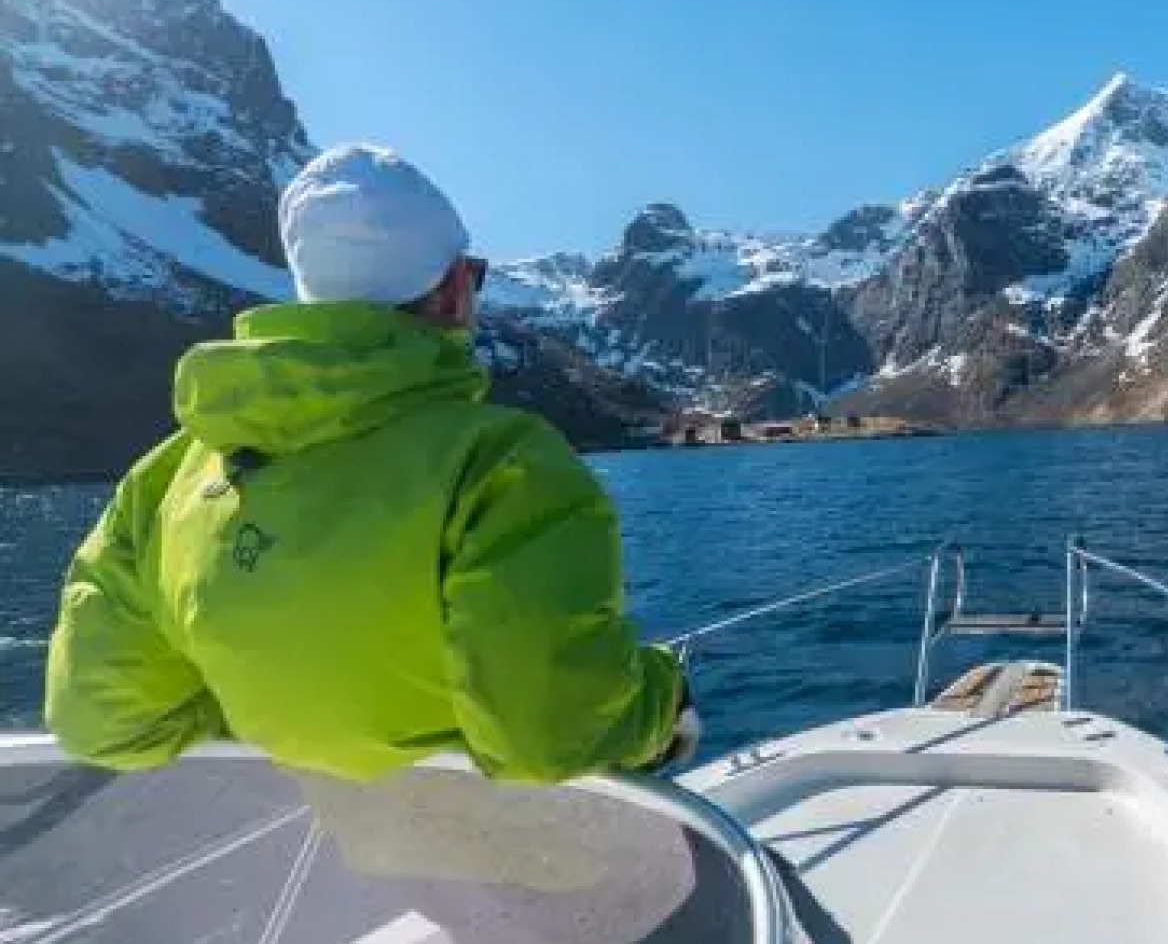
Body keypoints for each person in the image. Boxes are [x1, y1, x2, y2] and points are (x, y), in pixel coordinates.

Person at [44, 144, 697, 781]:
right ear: (450, 294)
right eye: (472, 274)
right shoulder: (502, 465)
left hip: (327, 867)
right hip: (513, 857)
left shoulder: (167, 476)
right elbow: (556, 731)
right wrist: (661, 703)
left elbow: (100, 723)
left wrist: (266, 717)